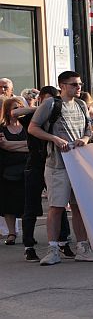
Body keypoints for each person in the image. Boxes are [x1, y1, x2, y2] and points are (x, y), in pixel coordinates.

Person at [28, 71, 93, 265]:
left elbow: (88, 129)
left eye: (80, 84)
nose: (78, 88)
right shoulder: (50, 104)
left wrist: (85, 139)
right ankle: (53, 249)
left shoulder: (81, 104)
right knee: (56, 207)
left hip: (78, 163)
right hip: (57, 164)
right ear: (62, 85)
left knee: (79, 207)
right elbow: (33, 127)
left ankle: (83, 248)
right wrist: (54, 138)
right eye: (74, 85)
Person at [12, 86, 72, 261]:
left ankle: (63, 242)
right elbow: (15, 113)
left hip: (55, 162)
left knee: (58, 204)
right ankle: (29, 245)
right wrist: (40, 108)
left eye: (51, 100)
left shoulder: (59, 115)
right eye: (45, 100)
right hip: (35, 164)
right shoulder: (33, 116)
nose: (49, 103)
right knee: (30, 206)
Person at [0, 97, 29, 245]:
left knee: (27, 203)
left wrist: (11, 144)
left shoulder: (29, 126)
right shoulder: (2, 128)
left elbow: (32, 146)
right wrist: (23, 146)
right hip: (8, 171)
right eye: (14, 108)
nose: (17, 111)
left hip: (27, 169)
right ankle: (11, 233)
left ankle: (28, 234)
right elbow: (4, 146)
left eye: (19, 107)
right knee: (8, 204)